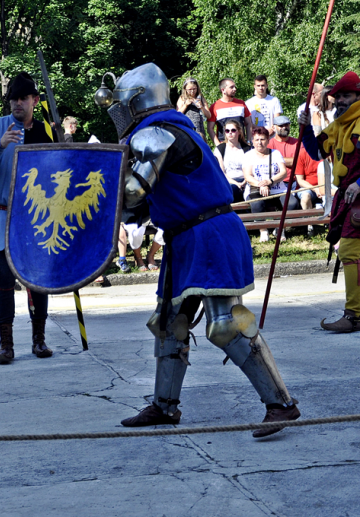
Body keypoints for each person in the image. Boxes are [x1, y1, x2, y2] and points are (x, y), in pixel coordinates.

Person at [97, 63, 299, 437]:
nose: (118, 113)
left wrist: (96, 186)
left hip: (209, 233)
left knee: (224, 325)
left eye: (122, 104)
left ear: (138, 101)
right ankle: (164, 406)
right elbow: (138, 206)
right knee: (168, 324)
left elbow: (132, 193)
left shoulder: (157, 134)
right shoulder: (164, 130)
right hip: (184, 236)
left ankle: (280, 404)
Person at [0, 72, 54, 363]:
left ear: (35, 100)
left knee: (37, 281)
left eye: (23, 98)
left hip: (34, 219)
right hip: (0, 217)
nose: (18, 103)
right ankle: (6, 345)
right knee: (3, 281)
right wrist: (1, 144)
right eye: (13, 99)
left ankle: (39, 340)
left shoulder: (46, 132)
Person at [299, 71, 360, 332]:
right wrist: (305, 128)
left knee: (348, 251)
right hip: (347, 195)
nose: (341, 101)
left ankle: (355, 315)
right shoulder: (338, 125)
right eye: (337, 97)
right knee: (350, 251)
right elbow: (315, 151)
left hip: (357, 194)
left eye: (346, 95)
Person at [243, 126, 296, 242]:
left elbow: (283, 172)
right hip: (255, 188)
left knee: (292, 203)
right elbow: (248, 176)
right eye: (256, 140)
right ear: (252, 141)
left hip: (278, 188)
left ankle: (280, 228)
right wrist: (261, 184)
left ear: (268, 140)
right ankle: (263, 230)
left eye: (262, 139)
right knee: (257, 204)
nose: (259, 143)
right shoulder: (248, 155)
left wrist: (270, 181)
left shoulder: (275, 154)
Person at [213, 119, 251, 203]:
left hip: (246, 180)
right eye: (227, 131)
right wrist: (236, 183)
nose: (230, 132)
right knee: (233, 189)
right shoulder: (220, 149)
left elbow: (251, 170)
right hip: (228, 181)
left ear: (239, 132)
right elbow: (221, 173)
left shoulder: (247, 149)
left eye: (233, 130)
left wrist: (244, 182)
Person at [207, 77, 254, 145]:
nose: (235, 89)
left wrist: (249, 141)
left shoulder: (241, 103)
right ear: (223, 90)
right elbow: (210, 128)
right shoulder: (215, 106)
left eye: (234, 87)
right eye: (231, 87)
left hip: (241, 144)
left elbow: (249, 123)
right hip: (224, 144)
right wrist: (218, 146)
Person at [177, 78, 211, 142]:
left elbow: (209, 115)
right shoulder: (182, 98)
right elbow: (178, 114)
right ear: (185, 89)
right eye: (189, 90)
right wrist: (186, 105)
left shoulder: (200, 97)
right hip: (187, 129)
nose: (192, 91)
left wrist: (201, 107)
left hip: (199, 129)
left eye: (194, 89)